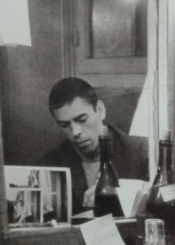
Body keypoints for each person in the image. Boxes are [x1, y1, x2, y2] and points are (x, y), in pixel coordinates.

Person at [39, 77, 149, 215]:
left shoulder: (141, 151)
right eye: (64, 125)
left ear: (100, 110)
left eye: (82, 120)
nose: (75, 132)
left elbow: (162, 200)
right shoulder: (49, 165)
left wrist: (119, 196)